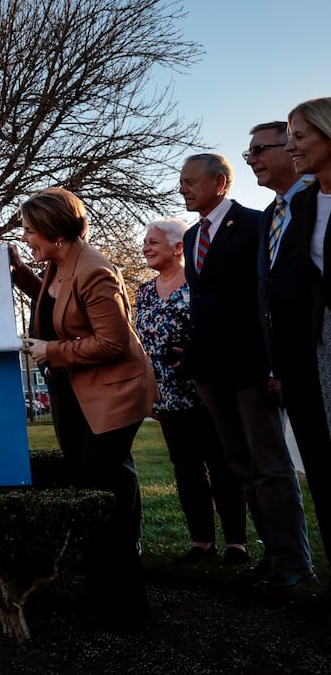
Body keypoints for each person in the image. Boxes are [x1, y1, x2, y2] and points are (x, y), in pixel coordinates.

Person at [10, 187, 156, 627]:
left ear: (55, 231)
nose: (26, 237)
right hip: (75, 394)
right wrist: (20, 273)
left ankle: (123, 603)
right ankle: (104, 590)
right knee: (94, 487)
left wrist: (51, 352)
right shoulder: (57, 264)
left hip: (111, 393)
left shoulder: (96, 271)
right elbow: (60, 310)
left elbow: (112, 342)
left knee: (104, 491)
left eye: (31, 231)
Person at [179, 152, 313, 595]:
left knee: (270, 466)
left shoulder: (254, 225)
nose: (183, 189)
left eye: (190, 181)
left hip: (252, 366)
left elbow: (265, 298)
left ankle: (295, 565)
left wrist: (276, 365)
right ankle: (271, 560)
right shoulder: (194, 234)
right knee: (240, 466)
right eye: (181, 182)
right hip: (211, 370)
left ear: (219, 183)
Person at [134, 217, 247, 564]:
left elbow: (221, 330)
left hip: (206, 391)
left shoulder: (199, 286)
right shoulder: (144, 292)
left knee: (222, 465)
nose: (146, 247)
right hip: (167, 397)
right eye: (145, 242)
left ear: (179, 247)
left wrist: (197, 356)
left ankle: (236, 543)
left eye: (154, 242)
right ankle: (201, 540)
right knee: (185, 469)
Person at [285, 97, 331, 614]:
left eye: (299, 134)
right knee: (322, 465)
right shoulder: (302, 203)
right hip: (314, 345)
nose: (292, 144)